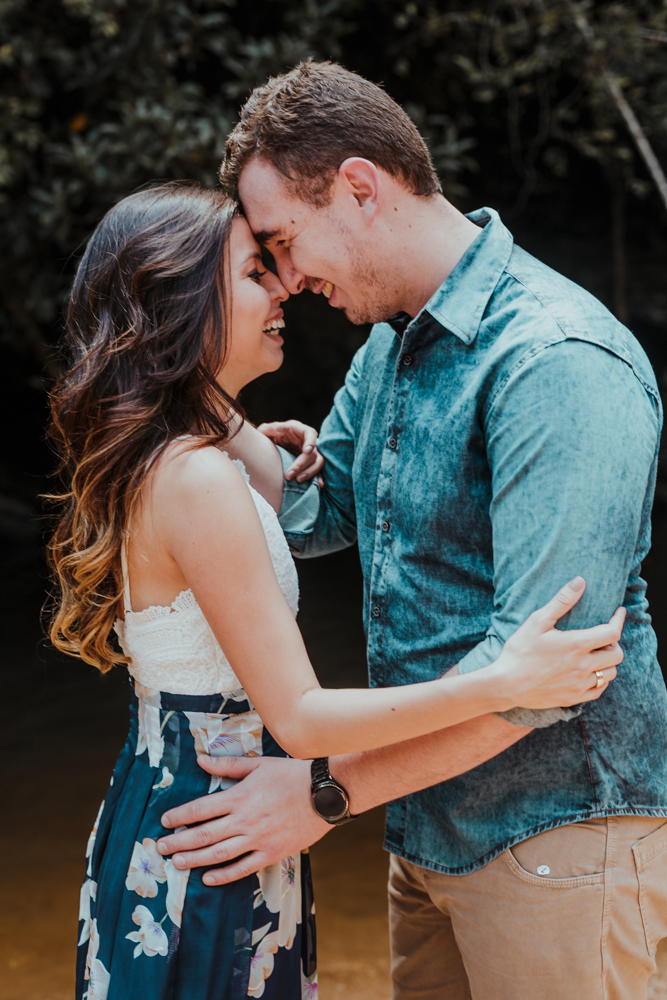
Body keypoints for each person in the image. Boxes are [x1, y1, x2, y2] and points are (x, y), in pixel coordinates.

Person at [155, 63, 667, 1000]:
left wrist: (324, 791)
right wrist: (193, 384)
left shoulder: (554, 360)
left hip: (561, 838)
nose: (286, 278)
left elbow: (545, 682)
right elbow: (317, 518)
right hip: (424, 831)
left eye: (283, 241)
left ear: (359, 186)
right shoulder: (393, 340)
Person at [47, 182, 620, 1000]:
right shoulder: (197, 480)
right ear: (182, 306)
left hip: (196, 802)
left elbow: (287, 493)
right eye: (255, 272)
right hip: (218, 823)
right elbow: (302, 718)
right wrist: (501, 682)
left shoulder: (176, 453)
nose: (284, 286)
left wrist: (244, 434)